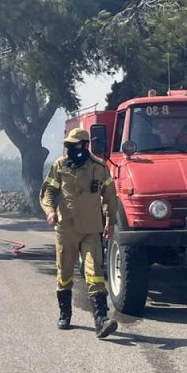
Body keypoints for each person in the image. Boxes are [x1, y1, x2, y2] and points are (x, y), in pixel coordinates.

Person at [40, 127, 119, 339]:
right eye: (68, 145)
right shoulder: (60, 165)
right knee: (64, 274)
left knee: (94, 273)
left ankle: (101, 320)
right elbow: (48, 191)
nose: (70, 149)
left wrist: (110, 221)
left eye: (74, 145)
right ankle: (65, 314)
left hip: (91, 230)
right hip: (66, 230)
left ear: (84, 146)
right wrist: (49, 211)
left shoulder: (99, 168)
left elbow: (110, 196)